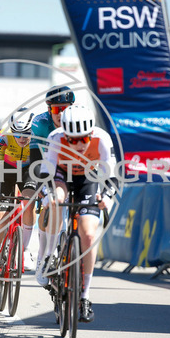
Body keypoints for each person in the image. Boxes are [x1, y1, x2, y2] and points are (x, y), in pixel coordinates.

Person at [40, 104, 119, 323]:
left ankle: (84, 296)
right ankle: (49, 256)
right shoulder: (55, 138)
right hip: (62, 175)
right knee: (57, 200)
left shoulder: (102, 139)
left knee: (89, 235)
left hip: (88, 178)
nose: (79, 145)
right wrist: (48, 196)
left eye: (83, 139)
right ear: (64, 134)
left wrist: (107, 197)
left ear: (91, 133)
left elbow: (112, 175)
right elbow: (46, 172)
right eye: (72, 140)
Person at [0, 108, 36, 290]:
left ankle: (25, 251)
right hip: (6, 170)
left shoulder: (38, 137)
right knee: (0, 217)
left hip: (27, 170)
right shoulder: (4, 137)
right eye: (18, 134)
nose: (22, 138)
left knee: (30, 202)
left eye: (26, 134)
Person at [30, 85, 75, 285]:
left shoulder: (79, 120)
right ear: (49, 110)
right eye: (57, 109)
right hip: (45, 165)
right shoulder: (40, 124)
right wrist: (40, 186)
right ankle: (43, 256)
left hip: (72, 167)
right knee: (49, 204)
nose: (61, 114)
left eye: (65, 109)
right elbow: (35, 159)